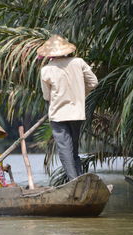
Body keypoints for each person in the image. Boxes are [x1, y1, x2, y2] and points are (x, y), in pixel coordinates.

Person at [37, 35, 98, 180]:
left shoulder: (46, 70)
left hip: (58, 115)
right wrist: (79, 94)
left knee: (65, 150)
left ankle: (74, 180)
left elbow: (47, 96)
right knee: (74, 150)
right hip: (76, 113)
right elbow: (93, 82)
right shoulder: (79, 62)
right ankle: (79, 179)